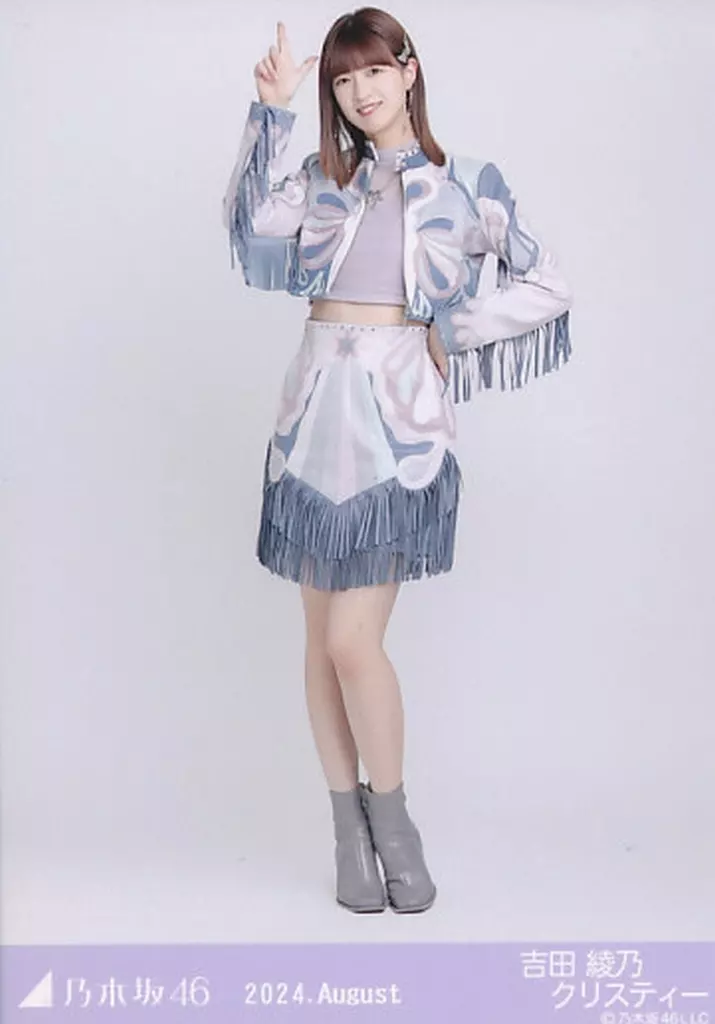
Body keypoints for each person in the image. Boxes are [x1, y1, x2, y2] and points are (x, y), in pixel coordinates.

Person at [222, 7, 573, 914]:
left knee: (352, 641)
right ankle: (346, 833)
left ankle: (394, 823)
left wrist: (454, 329)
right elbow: (248, 225)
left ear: (408, 71)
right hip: (310, 418)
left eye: (373, 71)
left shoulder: (467, 186)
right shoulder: (322, 177)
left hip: (396, 427)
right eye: (342, 79)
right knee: (318, 644)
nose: (359, 91)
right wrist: (271, 111)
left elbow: (547, 282)